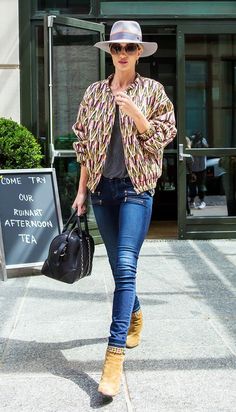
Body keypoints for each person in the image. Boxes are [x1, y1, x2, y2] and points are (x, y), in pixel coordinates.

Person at [72, 20, 177, 398]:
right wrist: (82, 192)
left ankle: (113, 357)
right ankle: (134, 315)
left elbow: (164, 137)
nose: (122, 54)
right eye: (116, 48)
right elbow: (84, 147)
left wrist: (136, 113)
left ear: (138, 53)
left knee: (127, 264)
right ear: (110, 53)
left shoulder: (152, 91)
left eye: (129, 48)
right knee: (119, 268)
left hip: (137, 189)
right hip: (102, 191)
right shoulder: (94, 93)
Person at [189, 131, 208, 209]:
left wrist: (201, 142)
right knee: (192, 186)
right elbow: (189, 148)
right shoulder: (192, 140)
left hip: (201, 168)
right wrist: (193, 141)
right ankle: (192, 201)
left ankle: (202, 201)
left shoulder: (203, 140)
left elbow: (206, 147)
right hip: (193, 167)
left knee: (201, 185)